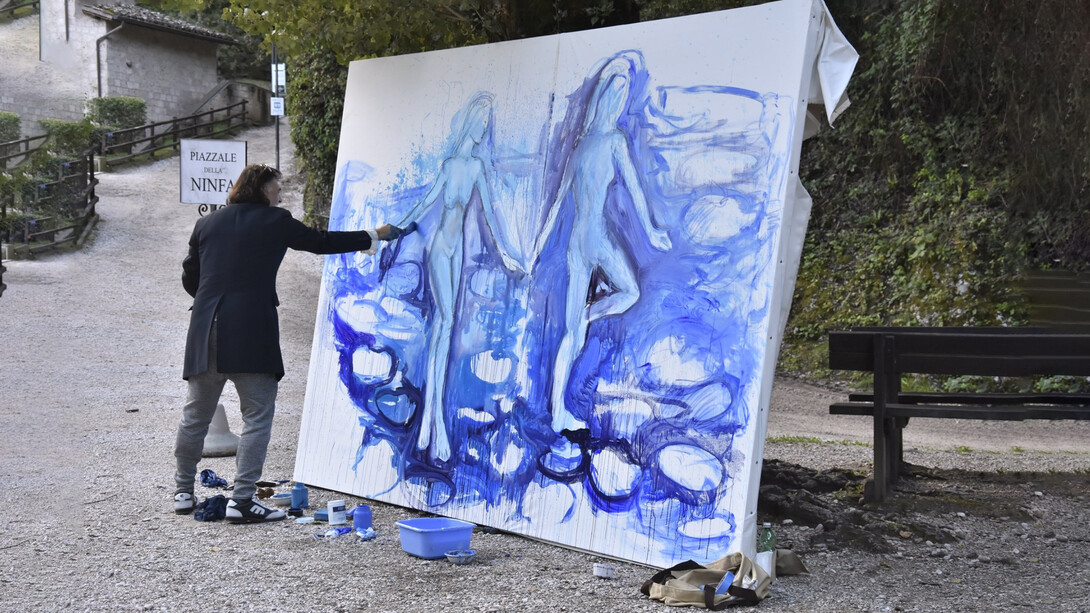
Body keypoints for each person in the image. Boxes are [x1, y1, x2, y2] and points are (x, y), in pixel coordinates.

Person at [172, 163, 399, 523]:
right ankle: (242, 501)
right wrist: (374, 234)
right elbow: (320, 242)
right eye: (277, 188)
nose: (281, 193)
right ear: (263, 190)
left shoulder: (207, 223)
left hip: (206, 330)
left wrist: (211, 302)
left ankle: (183, 491)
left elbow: (191, 276)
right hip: (251, 329)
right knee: (257, 418)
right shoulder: (275, 220)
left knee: (195, 416)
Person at [531, 56, 672, 435]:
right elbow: (636, 193)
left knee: (572, 332)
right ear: (610, 99)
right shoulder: (612, 141)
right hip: (595, 237)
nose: (622, 102)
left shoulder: (583, 146)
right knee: (628, 292)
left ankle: (556, 408)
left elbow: (559, 203)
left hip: (578, 241)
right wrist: (652, 230)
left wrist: (540, 246)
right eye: (620, 93)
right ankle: (590, 319)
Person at [396, 92, 523, 463]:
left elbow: (489, 219)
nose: (486, 128)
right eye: (482, 122)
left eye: (488, 123)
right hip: (440, 248)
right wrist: (394, 230)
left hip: (459, 252)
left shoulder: (477, 169)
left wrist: (506, 257)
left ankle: (430, 426)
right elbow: (426, 203)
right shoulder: (451, 165)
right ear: (471, 122)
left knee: (445, 331)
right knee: (445, 323)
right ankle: (431, 425)